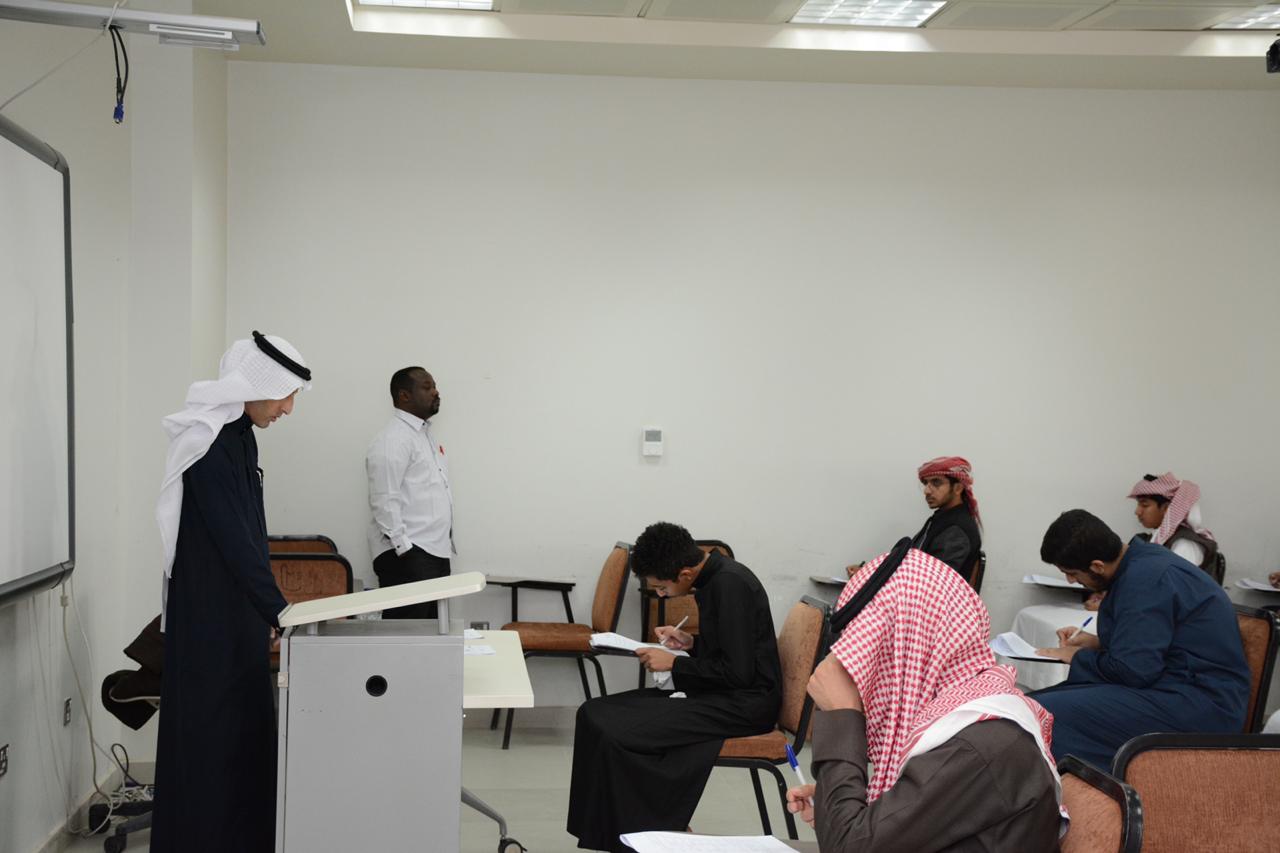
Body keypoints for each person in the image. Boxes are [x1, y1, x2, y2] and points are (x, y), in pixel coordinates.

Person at [787, 547, 1063, 852]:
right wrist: (839, 808)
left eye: (872, 653)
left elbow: (849, 848)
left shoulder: (976, 745)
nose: (861, 672)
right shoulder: (963, 721)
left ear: (905, 650)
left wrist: (842, 714)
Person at [151, 331, 311, 853]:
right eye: (284, 395)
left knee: (244, 736)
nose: (287, 409)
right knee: (211, 741)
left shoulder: (241, 436)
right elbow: (234, 542)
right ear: (255, 385)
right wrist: (279, 610)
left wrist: (267, 611)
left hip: (238, 614)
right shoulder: (208, 444)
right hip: (209, 617)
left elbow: (252, 536)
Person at [566, 522, 781, 852]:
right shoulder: (715, 578)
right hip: (725, 693)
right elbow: (735, 651)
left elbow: (739, 674)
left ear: (685, 573)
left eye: (661, 587)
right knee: (594, 712)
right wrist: (690, 643)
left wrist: (674, 663)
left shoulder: (729, 585)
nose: (660, 594)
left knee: (619, 733)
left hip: (745, 705)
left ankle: (654, 833)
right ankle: (610, 833)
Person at [1028, 509, 1250, 768]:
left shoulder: (1145, 578)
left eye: (1072, 573)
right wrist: (1097, 643)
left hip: (1200, 705)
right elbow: (1157, 644)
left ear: (1097, 566)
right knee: (1029, 704)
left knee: (1042, 714)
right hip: (1173, 685)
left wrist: (1077, 656)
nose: (1070, 580)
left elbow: (1133, 671)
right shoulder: (1140, 562)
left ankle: (1068, 790)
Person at [366, 366, 453, 619]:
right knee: (406, 636)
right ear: (404, 395)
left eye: (435, 386)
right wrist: (404, 549)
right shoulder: (393, 439)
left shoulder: (424, 436)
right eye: (427, 387)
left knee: (433, 634)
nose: (436, 392)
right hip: (409, 555)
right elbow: (384, 498)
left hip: (434, 553)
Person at [847, 455, 982, 578]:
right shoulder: (943, 518)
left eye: (936, 483)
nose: (927, 491)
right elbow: (909, 562)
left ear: (958, 488)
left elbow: (932, 582)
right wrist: (868, 572)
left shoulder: (956, 530)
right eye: (926, 484)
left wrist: (871, 579)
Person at [1128, 471, 1218, 571]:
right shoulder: (1152, 538)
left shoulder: (1183, 544)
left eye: (1145, 505)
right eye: (1138, 505)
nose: (1137, 512)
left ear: (1166, 509)